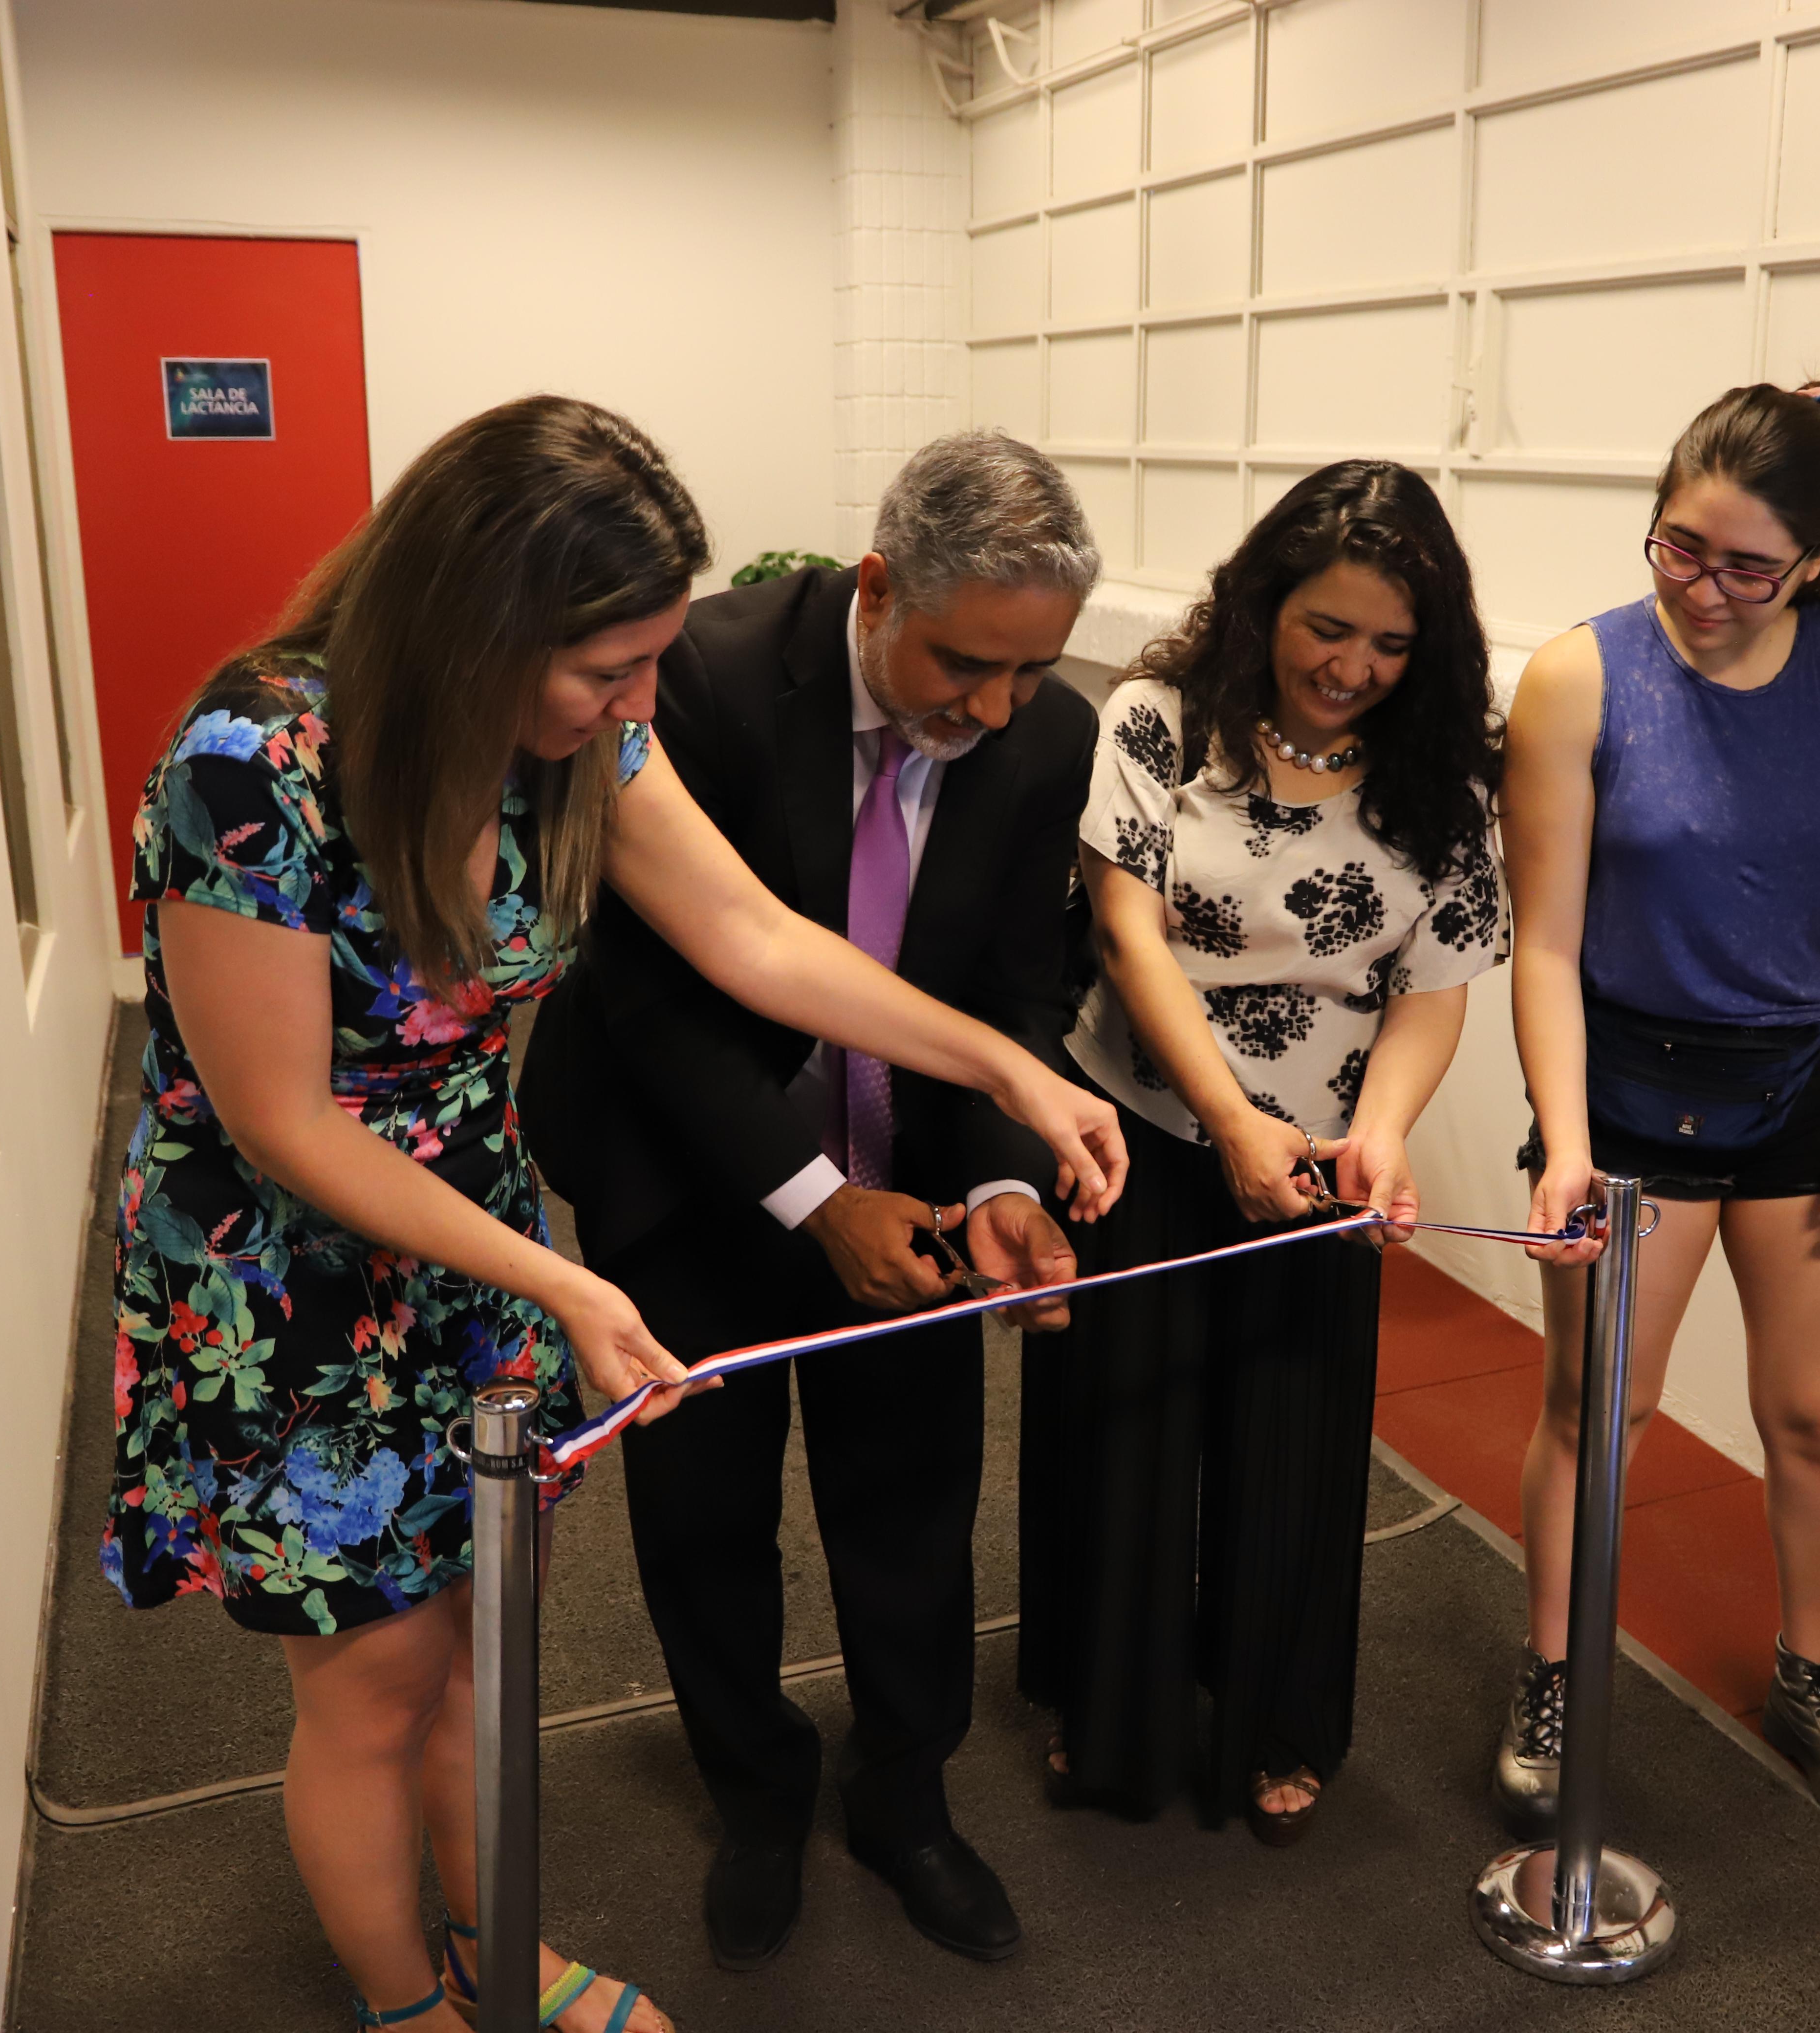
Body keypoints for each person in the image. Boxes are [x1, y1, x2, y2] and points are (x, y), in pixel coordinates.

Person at [106, 396, 1122, 2033]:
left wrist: (1008, 1067)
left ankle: (499, 1953)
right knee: (373, 1685)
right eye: (608, 672)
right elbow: (280, 1124)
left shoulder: (583, 730)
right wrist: (559, 1281)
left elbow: (757, 939)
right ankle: (413, 2007)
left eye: (651, 664)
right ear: (475, 621)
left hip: (474, 1242)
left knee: (478, 1650)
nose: (643, 705)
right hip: (288, 1286)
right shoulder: (254, 759)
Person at [522, 432, 1103, 1972]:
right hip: (689, 1170)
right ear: (876, 586)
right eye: (963, 663)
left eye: (1028, 675)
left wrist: (993, 1183)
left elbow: (1006, 995)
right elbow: (653, 997)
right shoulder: (691, 681)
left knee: (911, 1508)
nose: (988, 711)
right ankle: (759, 1797)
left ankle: (904, 1802)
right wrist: (816, 1198)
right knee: (706, 1521)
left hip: (906, 1180)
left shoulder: (1045, 739)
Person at [1020, 459, 1508, 1844]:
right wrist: (1229, 1120)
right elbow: (1127, 931)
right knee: (1124, 1425)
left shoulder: (1443, 778)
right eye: (1326, 629)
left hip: (1323, 1157)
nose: (1353, 667)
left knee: (1290, 1441)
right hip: (1150, 1121)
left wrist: (1385, 1135)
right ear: (1260, 605)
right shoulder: (1160, 718)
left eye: (1391, 644)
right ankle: (1105, 1706)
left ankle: (1275, 1715)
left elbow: (1434, 984)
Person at [1494, 375, 1820, 1840]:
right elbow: (1545, 938)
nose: (1704, 588)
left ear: (1818, 555)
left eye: (1747, 565)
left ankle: (1812, 1671)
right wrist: (1562, 1140)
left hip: (1818, 1085)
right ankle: (1557, 1674)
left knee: (1815, 1417)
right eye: (1678, 547)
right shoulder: (1578, 676)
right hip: (1629, 1092)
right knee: (1600, 1407)